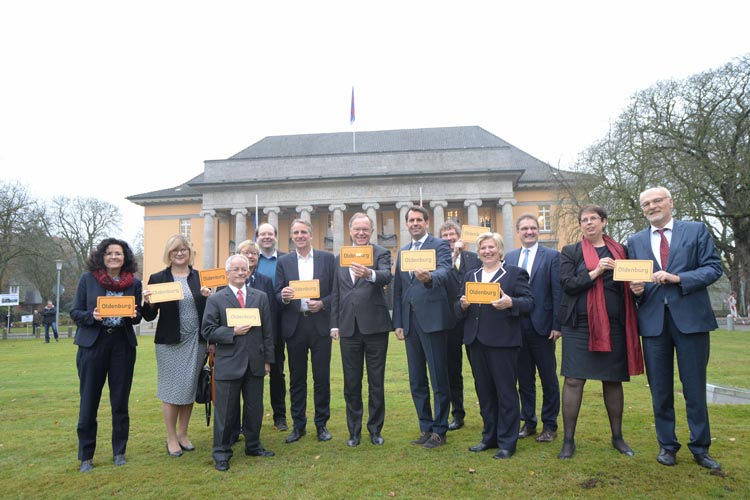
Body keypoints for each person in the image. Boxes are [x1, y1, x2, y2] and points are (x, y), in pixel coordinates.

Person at [627, 187, 723, 470]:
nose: (652, 206)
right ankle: (667, 445)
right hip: (654, 323)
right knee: (660, 389)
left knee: (694, 387)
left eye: (657, 201)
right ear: (642, 209)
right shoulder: (635, 241)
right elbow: (638, 285)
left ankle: (700, 447)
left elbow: (713, 268)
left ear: (670, 202)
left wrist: (678, 277)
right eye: (646, 203)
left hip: (691, 320)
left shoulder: (696, 231)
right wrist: (636, 291)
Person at [557, 205, 643, 460]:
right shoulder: (570, 252)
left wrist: (638, 289)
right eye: (584, 220)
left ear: (603, 222)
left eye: (593, 219)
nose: (588, 223)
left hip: (613, 325)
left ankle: (617, 437)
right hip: (578, 326)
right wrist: (596, 271)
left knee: (613, 380)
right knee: (573, 380)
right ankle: (568, 441)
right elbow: (568, 285)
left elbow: (631, 287)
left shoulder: (622, 252)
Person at [457, 232, 533, 459]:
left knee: (506, 393)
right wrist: (462, 305)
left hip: (503, 342)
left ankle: (507, 442)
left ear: (500, 250)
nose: (487, 251)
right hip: (476, 341)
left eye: (491, 247)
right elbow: (458, 306)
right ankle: (489, 437)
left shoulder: (514, 274)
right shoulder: (472, 274)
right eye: (483, 248)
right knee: (485, 392)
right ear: (478, 252)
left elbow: (529, 302)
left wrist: (511, 303)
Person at [70, 238, 142, 473]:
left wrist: (133, 314)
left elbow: (138, 316)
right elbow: (75, 311)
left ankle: (119, 451)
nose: (114, 257)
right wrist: (93, 316)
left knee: (120, 402)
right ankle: (86, 456)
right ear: (102, 256)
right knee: (89, 401)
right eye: (110, 253)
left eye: (118, 254)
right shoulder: (87, 280)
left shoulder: (134, 283)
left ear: (125, 257)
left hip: (122, 344)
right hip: (93, 344)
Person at [202, 254, 275, 472]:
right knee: (225, 412)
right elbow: (207, 330)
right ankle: (222, 453)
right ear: (227, 273)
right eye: (236, 269)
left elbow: (268, 332)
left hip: (255, 362)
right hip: (228, 363)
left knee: (254, 409)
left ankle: (253, 446)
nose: (241, 273)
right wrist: (231, 331)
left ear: (249, 272)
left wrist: (268, 360)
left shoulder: (260, 297)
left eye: (244, 269)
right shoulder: (216, 299)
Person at [142, 235, 210, 457]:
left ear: (189, 252)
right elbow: (149, 314)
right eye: (175, 250)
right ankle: (171, 437)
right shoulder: (158, 278)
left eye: (183, 249)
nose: (180, 253)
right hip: (170, 343)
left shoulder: (200, 278)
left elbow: (210, 311)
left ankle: (183, 434)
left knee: (189, 387)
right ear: (168, 254)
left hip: (196, 341)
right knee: (171, 391)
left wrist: (211, 297)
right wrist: (148, 302)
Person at [392, 205, 454, 449]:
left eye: (419, 219)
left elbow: (446, 271)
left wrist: (430, 278)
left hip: (433, 321)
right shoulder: (404, 251)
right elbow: (398, 289)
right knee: (417, 379)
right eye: (411, 220)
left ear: (426, 222)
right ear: (406, 224)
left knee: (438, 378)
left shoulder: (439, 245)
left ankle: (440, 430)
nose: (415, 223)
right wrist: (398, 322)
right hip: (410, 323)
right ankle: (425, 427)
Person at [330, 213, 393, 447]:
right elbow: (337, 292)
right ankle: (353, 431)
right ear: (350, 231)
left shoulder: (381, 253)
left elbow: (387, 276)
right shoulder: (340, 258)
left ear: (372, 230)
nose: (361, 233)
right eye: (357, 229)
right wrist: (334, 324)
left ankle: (375, 429)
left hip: (375, 327)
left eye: (365, 229)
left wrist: (370, 273)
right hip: (348, 327)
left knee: (376, 382)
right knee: (351, 382)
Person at [275, 219, 336, 443]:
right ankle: (298, 426)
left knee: (321, 378)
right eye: (296, 233)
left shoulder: (327, 259)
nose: (300, 236)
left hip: (319, 324)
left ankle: (322, 425)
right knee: (297, 380)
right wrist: (283, 295)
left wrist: (322, 304)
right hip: (295, 325)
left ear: (311, 235)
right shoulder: (284, 261)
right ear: (292, 237)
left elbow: (335, 292)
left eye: (304, 232)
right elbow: (276, 292)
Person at [504, 213, 562, 443]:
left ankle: (550, 425)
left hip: (544, 327)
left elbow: (557, 292)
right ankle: (528, 422)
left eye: (533, 228)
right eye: (524, 228)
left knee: (548, 379)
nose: (529, 232)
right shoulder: (509, 256)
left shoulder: (552, 256)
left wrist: (557, 325)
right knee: (524, 379)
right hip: (516, 326)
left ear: (538, 231)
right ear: (518, 232)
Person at [227, 239, 279, 445]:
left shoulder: (263, 287)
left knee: (253, 399)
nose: (242, 271)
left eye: (253, 254)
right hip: (232, 350)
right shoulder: (223, 290)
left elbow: (269, 320)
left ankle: (252, 439)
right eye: (244, 254)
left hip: (256, 348)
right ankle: (230, 434)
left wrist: (268, 354)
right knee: (230, 398)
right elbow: (213, 324)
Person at [439, 220, 481, 431]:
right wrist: (452, 257)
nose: (449, 238)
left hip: (473, 320)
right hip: (449, 322)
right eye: (445, 235)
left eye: (452, 234)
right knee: (452, 372)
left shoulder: (474, 258)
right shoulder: (440, 261)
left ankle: (487, 411)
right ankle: (458, 414)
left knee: (480, 369)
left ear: (459, 236)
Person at [255, 222, 288, 431]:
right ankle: (250, 417)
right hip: (251, 323)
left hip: (278, 322)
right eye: (262, 234)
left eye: (270, 234)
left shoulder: (286, 259)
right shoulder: (248, 259)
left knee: (277, 371)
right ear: (257, 237)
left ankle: (280, 416)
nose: (266, 237)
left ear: (276, 236)